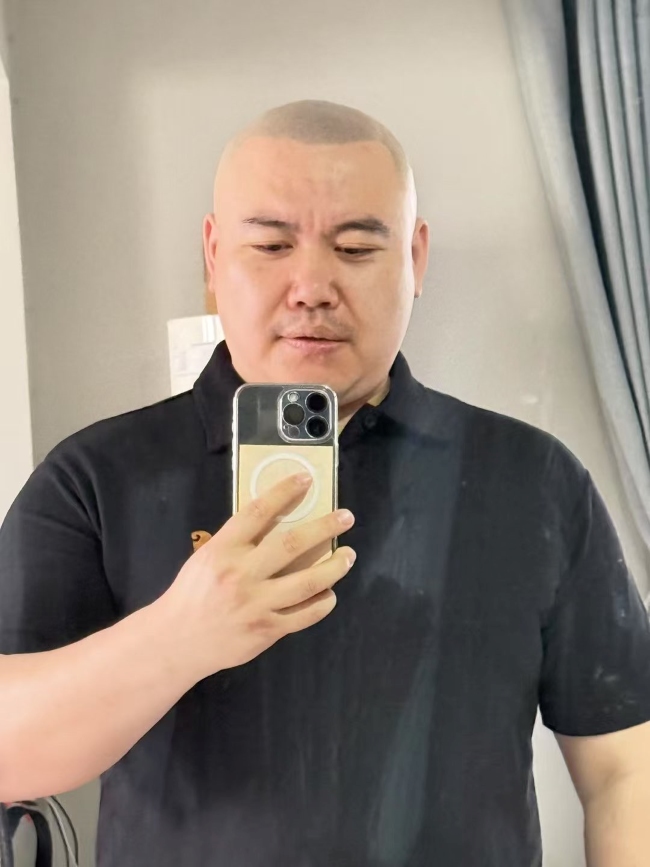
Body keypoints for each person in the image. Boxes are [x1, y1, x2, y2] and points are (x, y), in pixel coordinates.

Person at [1, 99, 649, 867]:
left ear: (415, 258)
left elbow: (625, 764)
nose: (311, 285)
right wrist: (178, 635)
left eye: (355, 247)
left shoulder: (534, 478)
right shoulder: (97, 477)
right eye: (271, 245)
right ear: (213, 256)